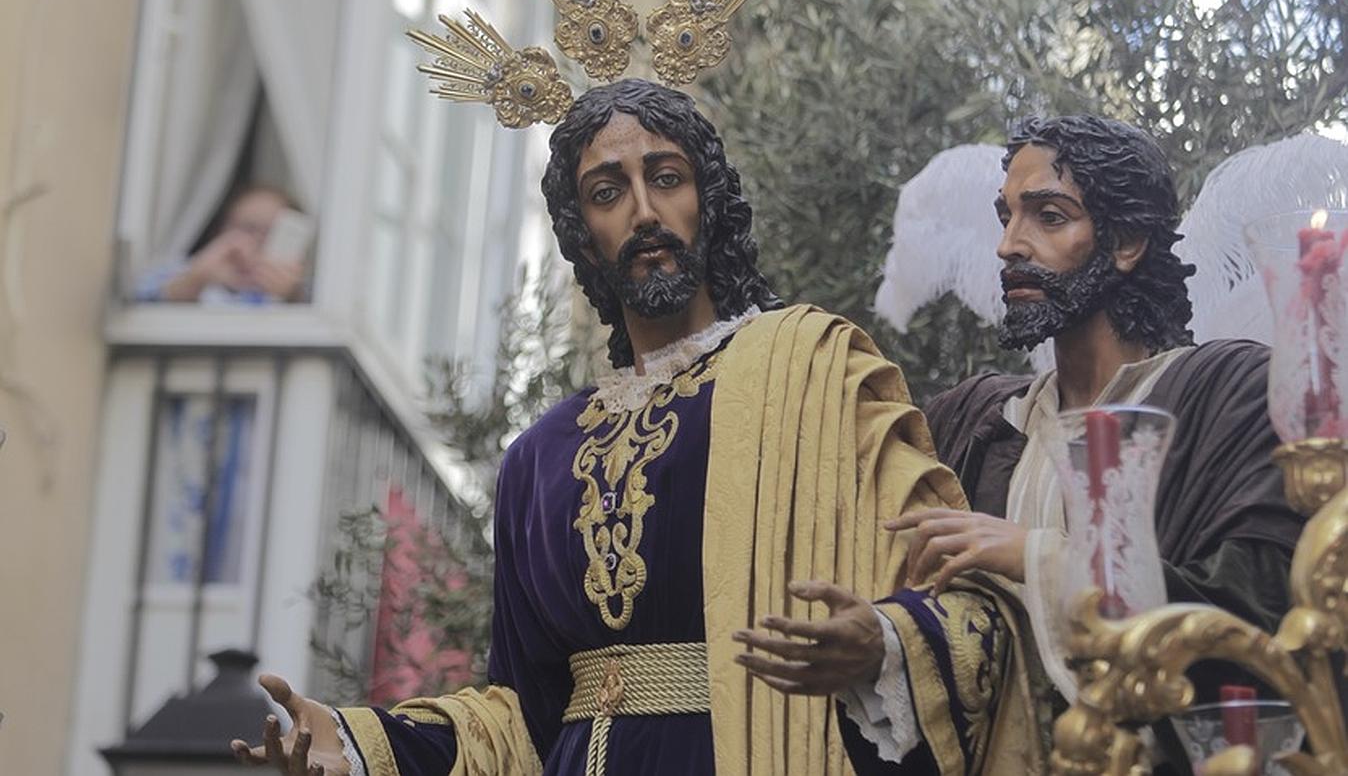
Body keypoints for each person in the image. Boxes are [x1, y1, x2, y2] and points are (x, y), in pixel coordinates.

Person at [230, 79, 985, 775]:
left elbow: (952, 593)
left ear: (708, 200)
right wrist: (359, 746)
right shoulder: (539, 458)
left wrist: (882, 644)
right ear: (581, 233)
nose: (645, 212)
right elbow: (521, 717)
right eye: (607, 191)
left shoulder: (816, 372)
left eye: (666, 178)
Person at [734, 115, 1305, 774]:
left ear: (1124, 241)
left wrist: (1035, 555)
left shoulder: (1227, 392)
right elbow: (953, 628)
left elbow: (1265, 618)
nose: (1009, 245)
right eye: (1006, 217)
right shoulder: (975, 421)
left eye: (1049, 217)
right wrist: (883, 642)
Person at [136, 183, 308, 304]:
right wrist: (196, 279)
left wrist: (291, 297)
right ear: (222, 230)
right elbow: (135, 305)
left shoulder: (300, 291)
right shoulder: (181, 272)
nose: (258, 241)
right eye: (248, 228)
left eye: (271, 232)